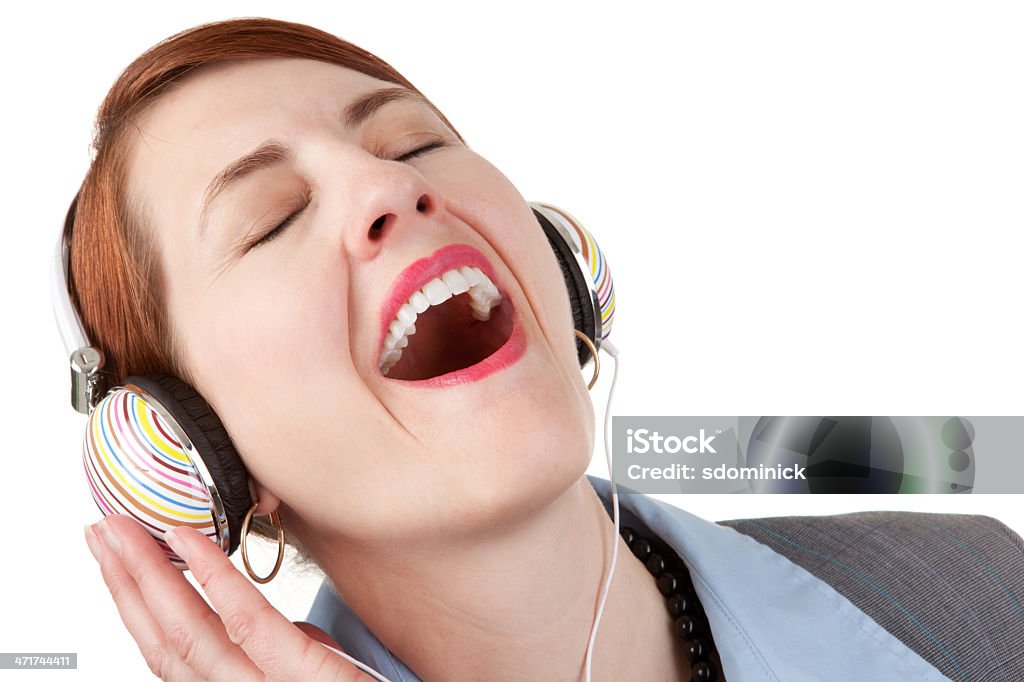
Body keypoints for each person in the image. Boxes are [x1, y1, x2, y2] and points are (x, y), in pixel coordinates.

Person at [61, 17, 1024, 682]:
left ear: (560, 267)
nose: (384, 188)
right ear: (189, 451)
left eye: (411, 145)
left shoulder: (974, 596)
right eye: (272, 219)